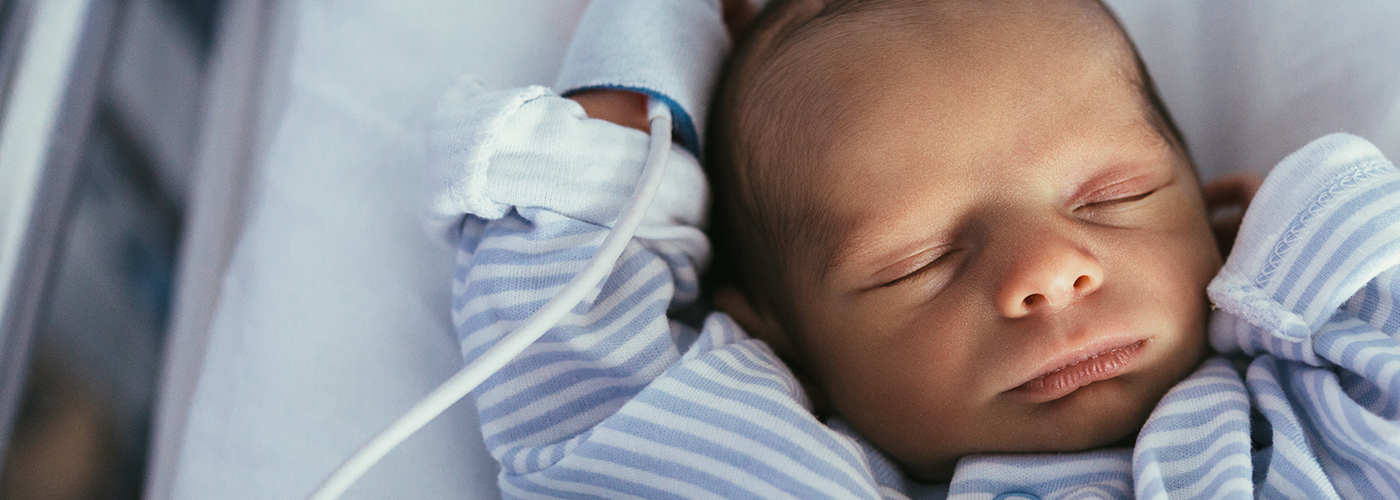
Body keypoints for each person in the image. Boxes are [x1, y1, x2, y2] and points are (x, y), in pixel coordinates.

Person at [424, 0, 1400, 497]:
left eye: (1112, 197)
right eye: (914, 261)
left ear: (1225, 213)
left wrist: (1291, 262)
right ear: (774, 344)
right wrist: (644, 51)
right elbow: (580, 351)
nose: (1042, 271)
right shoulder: (789, 474)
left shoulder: (1329, 416)